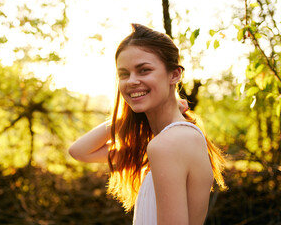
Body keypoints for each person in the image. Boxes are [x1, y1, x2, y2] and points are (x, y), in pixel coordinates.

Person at [69, 23, 226, 225]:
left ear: (174, 75)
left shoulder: (167, 145)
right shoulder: (176, 139)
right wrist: (127, 118)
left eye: (144, 70)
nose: (132, 81)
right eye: (124, 74)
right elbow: (79, 151)